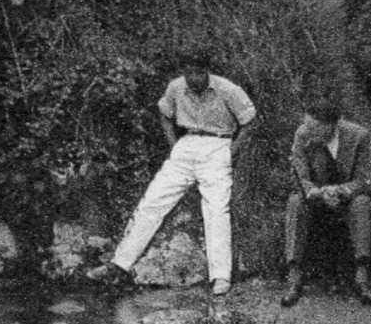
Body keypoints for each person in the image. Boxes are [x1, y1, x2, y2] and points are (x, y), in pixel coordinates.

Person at [88, 48, 256, 298]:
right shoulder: (176, 87)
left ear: (207, 71)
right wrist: (173, 144)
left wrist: (230, 154)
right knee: (152, 202)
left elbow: (250, 122)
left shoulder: (227, 89)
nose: (193, 78)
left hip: (218, 144)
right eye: (189, 72)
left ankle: (220, 276)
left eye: (199, 72)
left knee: (216, 208)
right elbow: (165, 115)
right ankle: (120, 265)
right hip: (186, 144)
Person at [280, 97, 371, 307]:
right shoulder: (303, 134)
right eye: (306, 124)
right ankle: (294, 274)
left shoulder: (358, 135)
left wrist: (341, 191)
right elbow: (300, 176)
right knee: (295, 202)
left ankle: (361, 276)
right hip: (317, 197)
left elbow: (363, 178)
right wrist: (318, 193)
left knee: (362, 203)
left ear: (331, 125)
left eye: (313, 126)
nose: (307, 129)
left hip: (347, 197)